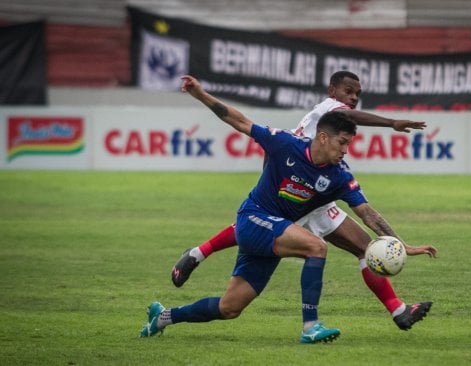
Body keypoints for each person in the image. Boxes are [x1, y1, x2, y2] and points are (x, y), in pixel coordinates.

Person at [141, 75, 428, 343]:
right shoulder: (286, 143)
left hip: (274, 232)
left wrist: (402, 243)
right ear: (324, 137)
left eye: (349, 144)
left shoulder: (339, 175)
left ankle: (164, 316)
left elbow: (367, 212)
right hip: (254, 218)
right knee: (316, 247)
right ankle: (310, 327)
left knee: (230, 308)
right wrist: (201, 94)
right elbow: (239, 121)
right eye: (342, 143)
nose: (346, 150)